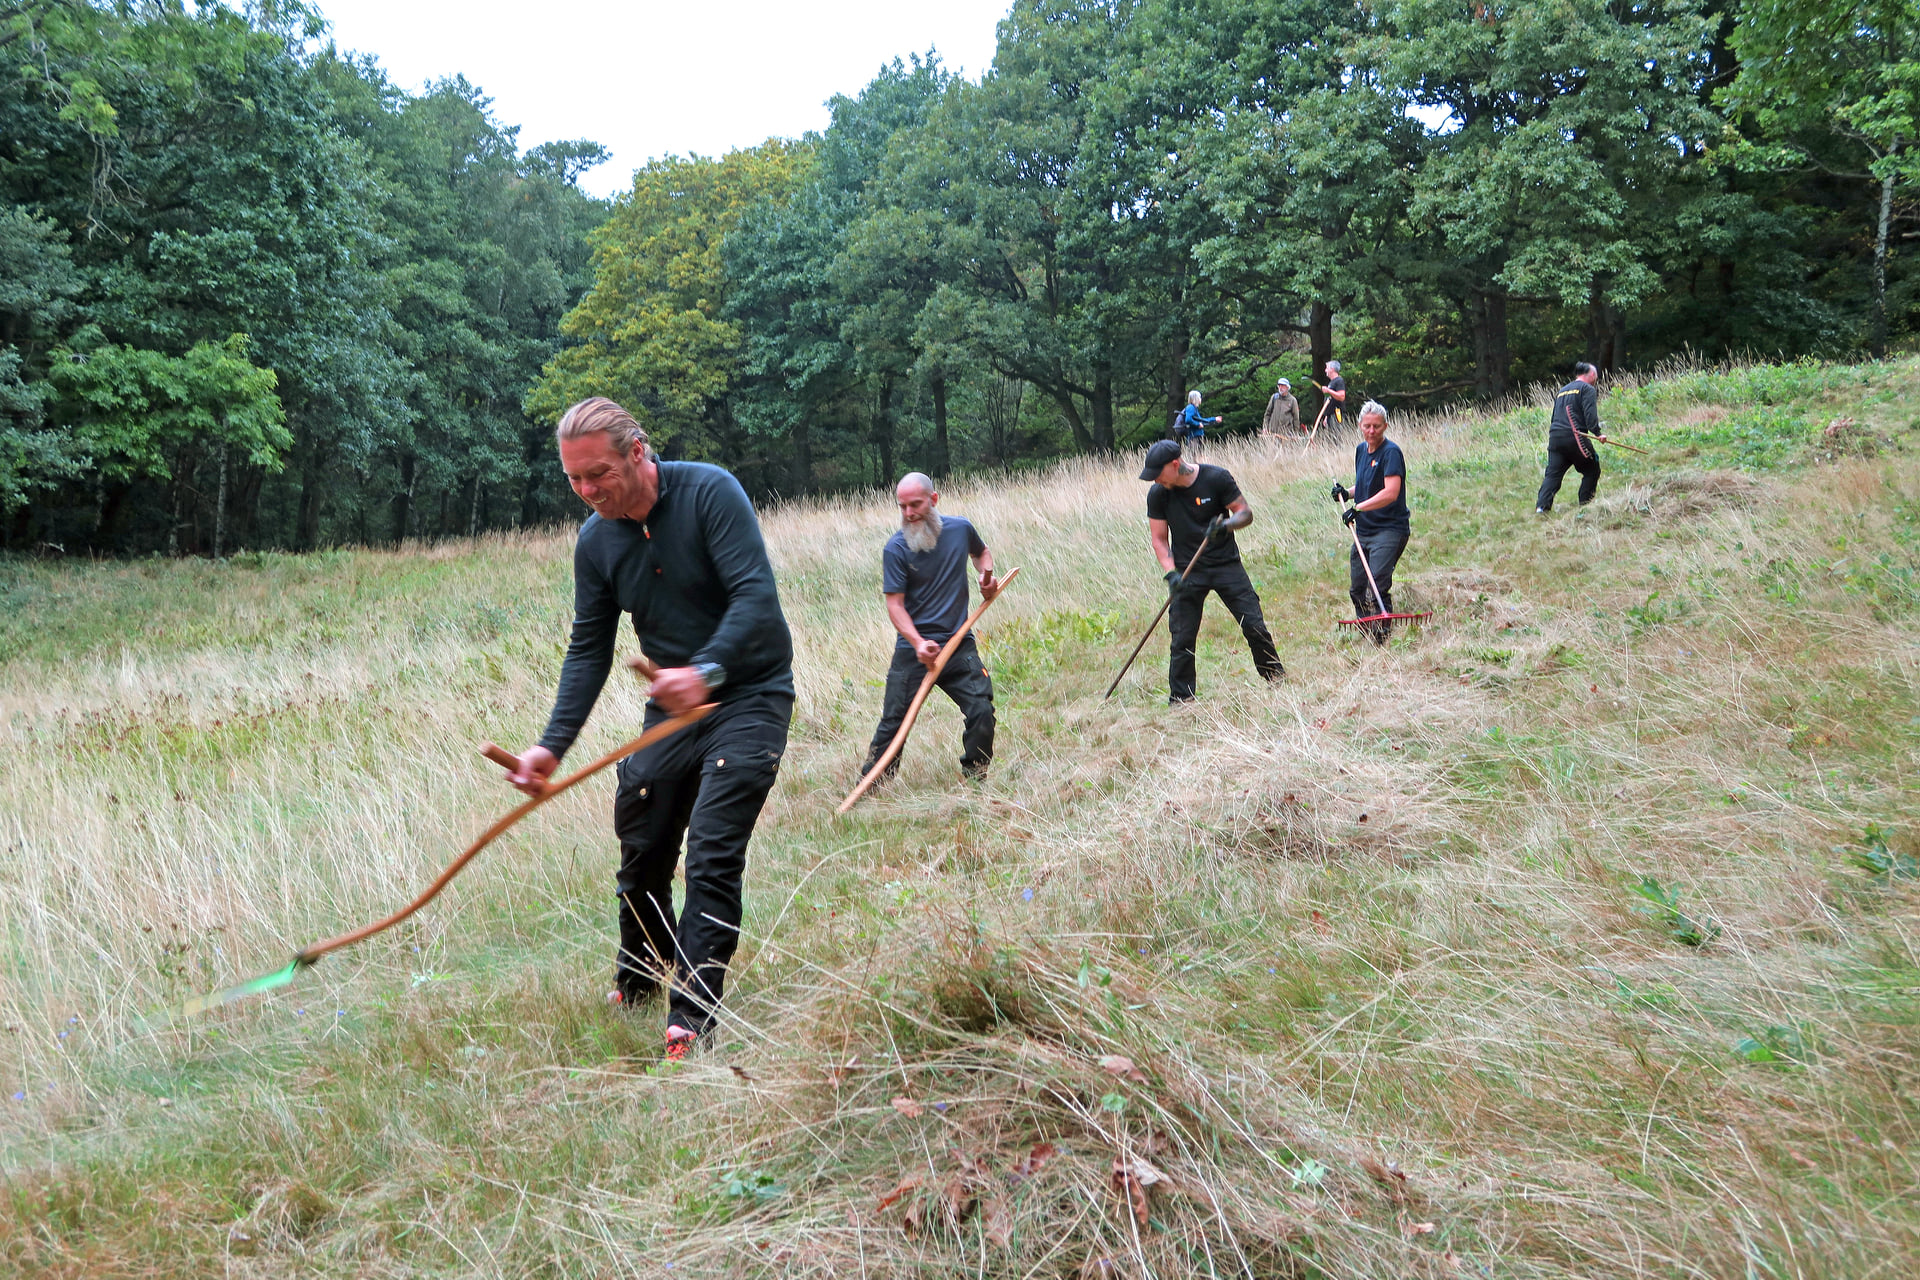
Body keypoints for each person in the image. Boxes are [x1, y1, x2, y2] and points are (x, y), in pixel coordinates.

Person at [507, 397, 793, 1061]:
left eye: (598, 473)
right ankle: (639, 976)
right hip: (670, 714)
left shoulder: (710, 493)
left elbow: (755, 596)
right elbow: (588, 650)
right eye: (573, 479)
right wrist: (551, 747)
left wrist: (707, 670)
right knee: (642, 849)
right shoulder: (596, 541)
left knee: (714, 853)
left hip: (747, 695)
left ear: (638, 453)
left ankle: (691, 1017)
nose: (586, 491)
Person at [860, 473, 1001, 785]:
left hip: (958, 644)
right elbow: (895, 605)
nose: (909, 513)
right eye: (903, 507)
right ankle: (871, 787)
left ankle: (975, 778)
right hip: (914, 652)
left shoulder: (960, 529)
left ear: (933, 500)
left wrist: (986, 576)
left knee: (981, 711)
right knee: (893, 725)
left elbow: (981, 553)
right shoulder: (895, 549)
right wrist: (918, 643)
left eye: (915, 505)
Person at [1140, 439, 1285, 703]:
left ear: (1175, 465)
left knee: (1253, 625)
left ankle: (1275, 678)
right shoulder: (1158, 494)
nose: (1156, 481)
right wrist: (1171, 572)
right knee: (1181, 637)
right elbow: (1159, 539)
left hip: (1225, 564)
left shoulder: (1216, 478)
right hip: (1187, 571)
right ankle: (1182, 699)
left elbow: (1245, 513)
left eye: (1158, 474)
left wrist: (1225, 526)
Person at [1330, 401, 1410, 646]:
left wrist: (1359, 508)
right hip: (1364, 530)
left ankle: (1382, 639)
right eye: (1367, 426)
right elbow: (1366, 486)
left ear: (1385, 426)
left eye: (1377, 426)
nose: (1372, 431)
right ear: (1359, 426)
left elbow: (1390, 492)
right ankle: (1367, 631)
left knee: (1376, 585)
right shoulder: (1361, 451)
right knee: (1358, 589)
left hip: (1389, 529)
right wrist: (1347, 493)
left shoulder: (1391, 453)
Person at [1536, 361, 1602, 513]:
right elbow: (1590, 414)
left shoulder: (1563, 390)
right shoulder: (1587, 389)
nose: (1596, 378)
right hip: (1575, 436)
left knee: (1553, 474)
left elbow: (1554, 416)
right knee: (1592, 469)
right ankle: (1585, 506)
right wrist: (1598, 433)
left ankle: (1542, 508)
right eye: (1596, 375)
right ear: (1591, 375)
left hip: (1555, 437)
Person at [1261, 378, 1301, 443]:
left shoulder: (1292, 400)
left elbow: (1296, 418)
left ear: (1287, 387)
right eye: (1279, 386)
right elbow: (1267, 414)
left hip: (1286, 434)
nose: (1280, 387)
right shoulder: (1274, 398)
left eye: (1282, 386)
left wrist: (1295, 433)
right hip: (1272, 433)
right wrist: (1265, 427)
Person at [1314, 360, 1348, 431]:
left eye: (1327, 368)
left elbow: (1342, 396)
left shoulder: (1339, 380)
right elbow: (1330, 400)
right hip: (1330, 415)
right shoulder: (1331, 383)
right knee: (1331, 437)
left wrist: (1328, 390)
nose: (1325, 370)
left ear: (1332, 369)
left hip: (1337, 414)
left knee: (1336, 437)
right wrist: (1326, 416)